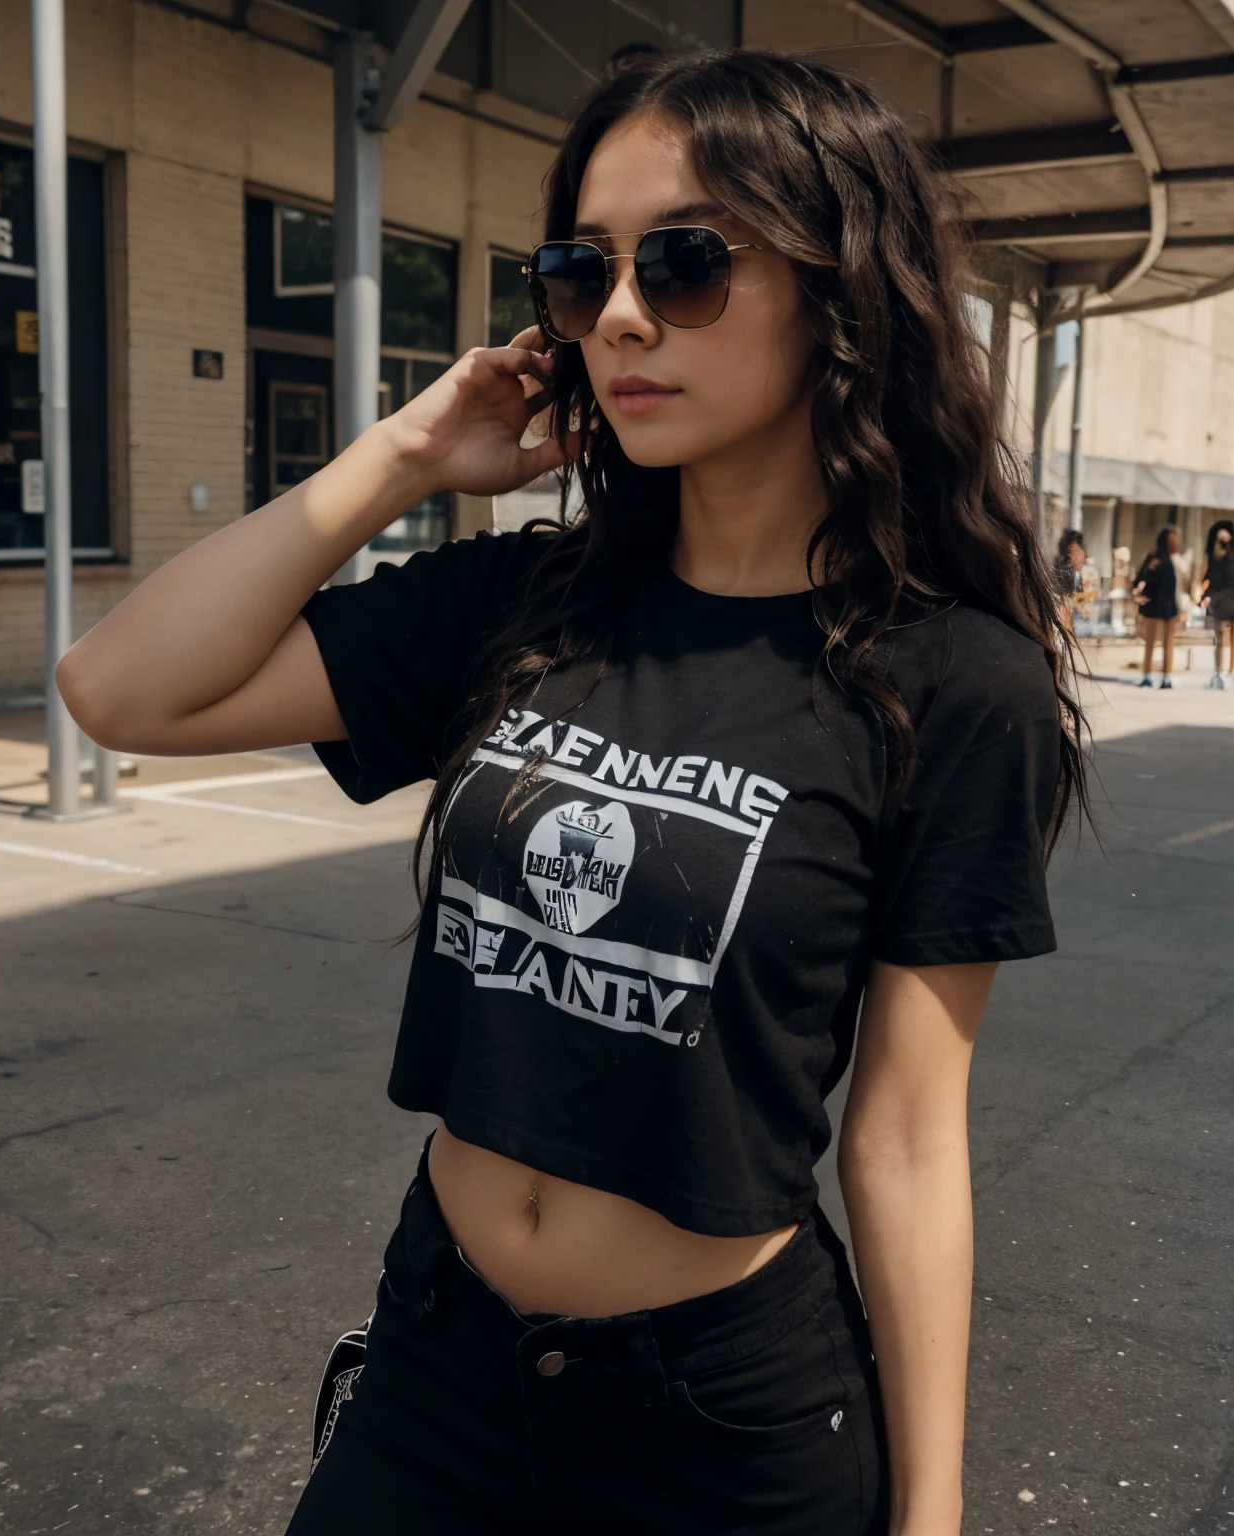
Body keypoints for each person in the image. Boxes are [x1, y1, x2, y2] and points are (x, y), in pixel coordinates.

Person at [57, 50, 1085, 1536]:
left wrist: (932, 1516)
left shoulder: (949, 681)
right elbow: (121, 688)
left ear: (839, 286)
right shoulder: (527, 600)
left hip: (722, 1421)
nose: (618, 315)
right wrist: (407, 455)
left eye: (684, 262)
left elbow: (910, 1136)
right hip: (441, 1357)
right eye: (580, 268)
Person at [1197, 519, 1234, 689]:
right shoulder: (1211, 561)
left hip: (1231, 601)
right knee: (1219, 638)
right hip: (1217, 602)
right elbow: (1203, 580)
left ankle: (1229, 673)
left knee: (1232, 638)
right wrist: (1203, 596)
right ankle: (1219, 671)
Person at [1133, 526, 1181, 687]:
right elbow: (1141, 577)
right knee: (1150, 642)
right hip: (1153, 606)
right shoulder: (1154, 558)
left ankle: (1166, 676)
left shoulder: (1174, 560)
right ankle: (1147, 675)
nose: (1176, 543)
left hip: (1170, 607)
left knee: (1168, 643)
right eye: (1173, 540)